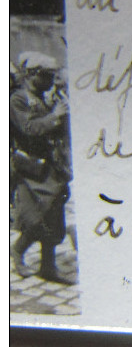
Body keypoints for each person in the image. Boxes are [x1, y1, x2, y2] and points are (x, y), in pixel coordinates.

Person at [10, 52, 73, 284]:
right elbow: (27, 128)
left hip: (51, 166)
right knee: (37, 217)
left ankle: (48, 266)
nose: (50, 81)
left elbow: (57, 130)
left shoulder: (47, 98)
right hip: (31, 167)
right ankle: (18, 249)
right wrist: (54, 117)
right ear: (32, 74)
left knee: (54, 216)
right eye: (46, 76)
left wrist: (63, 113)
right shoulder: (18, 99)